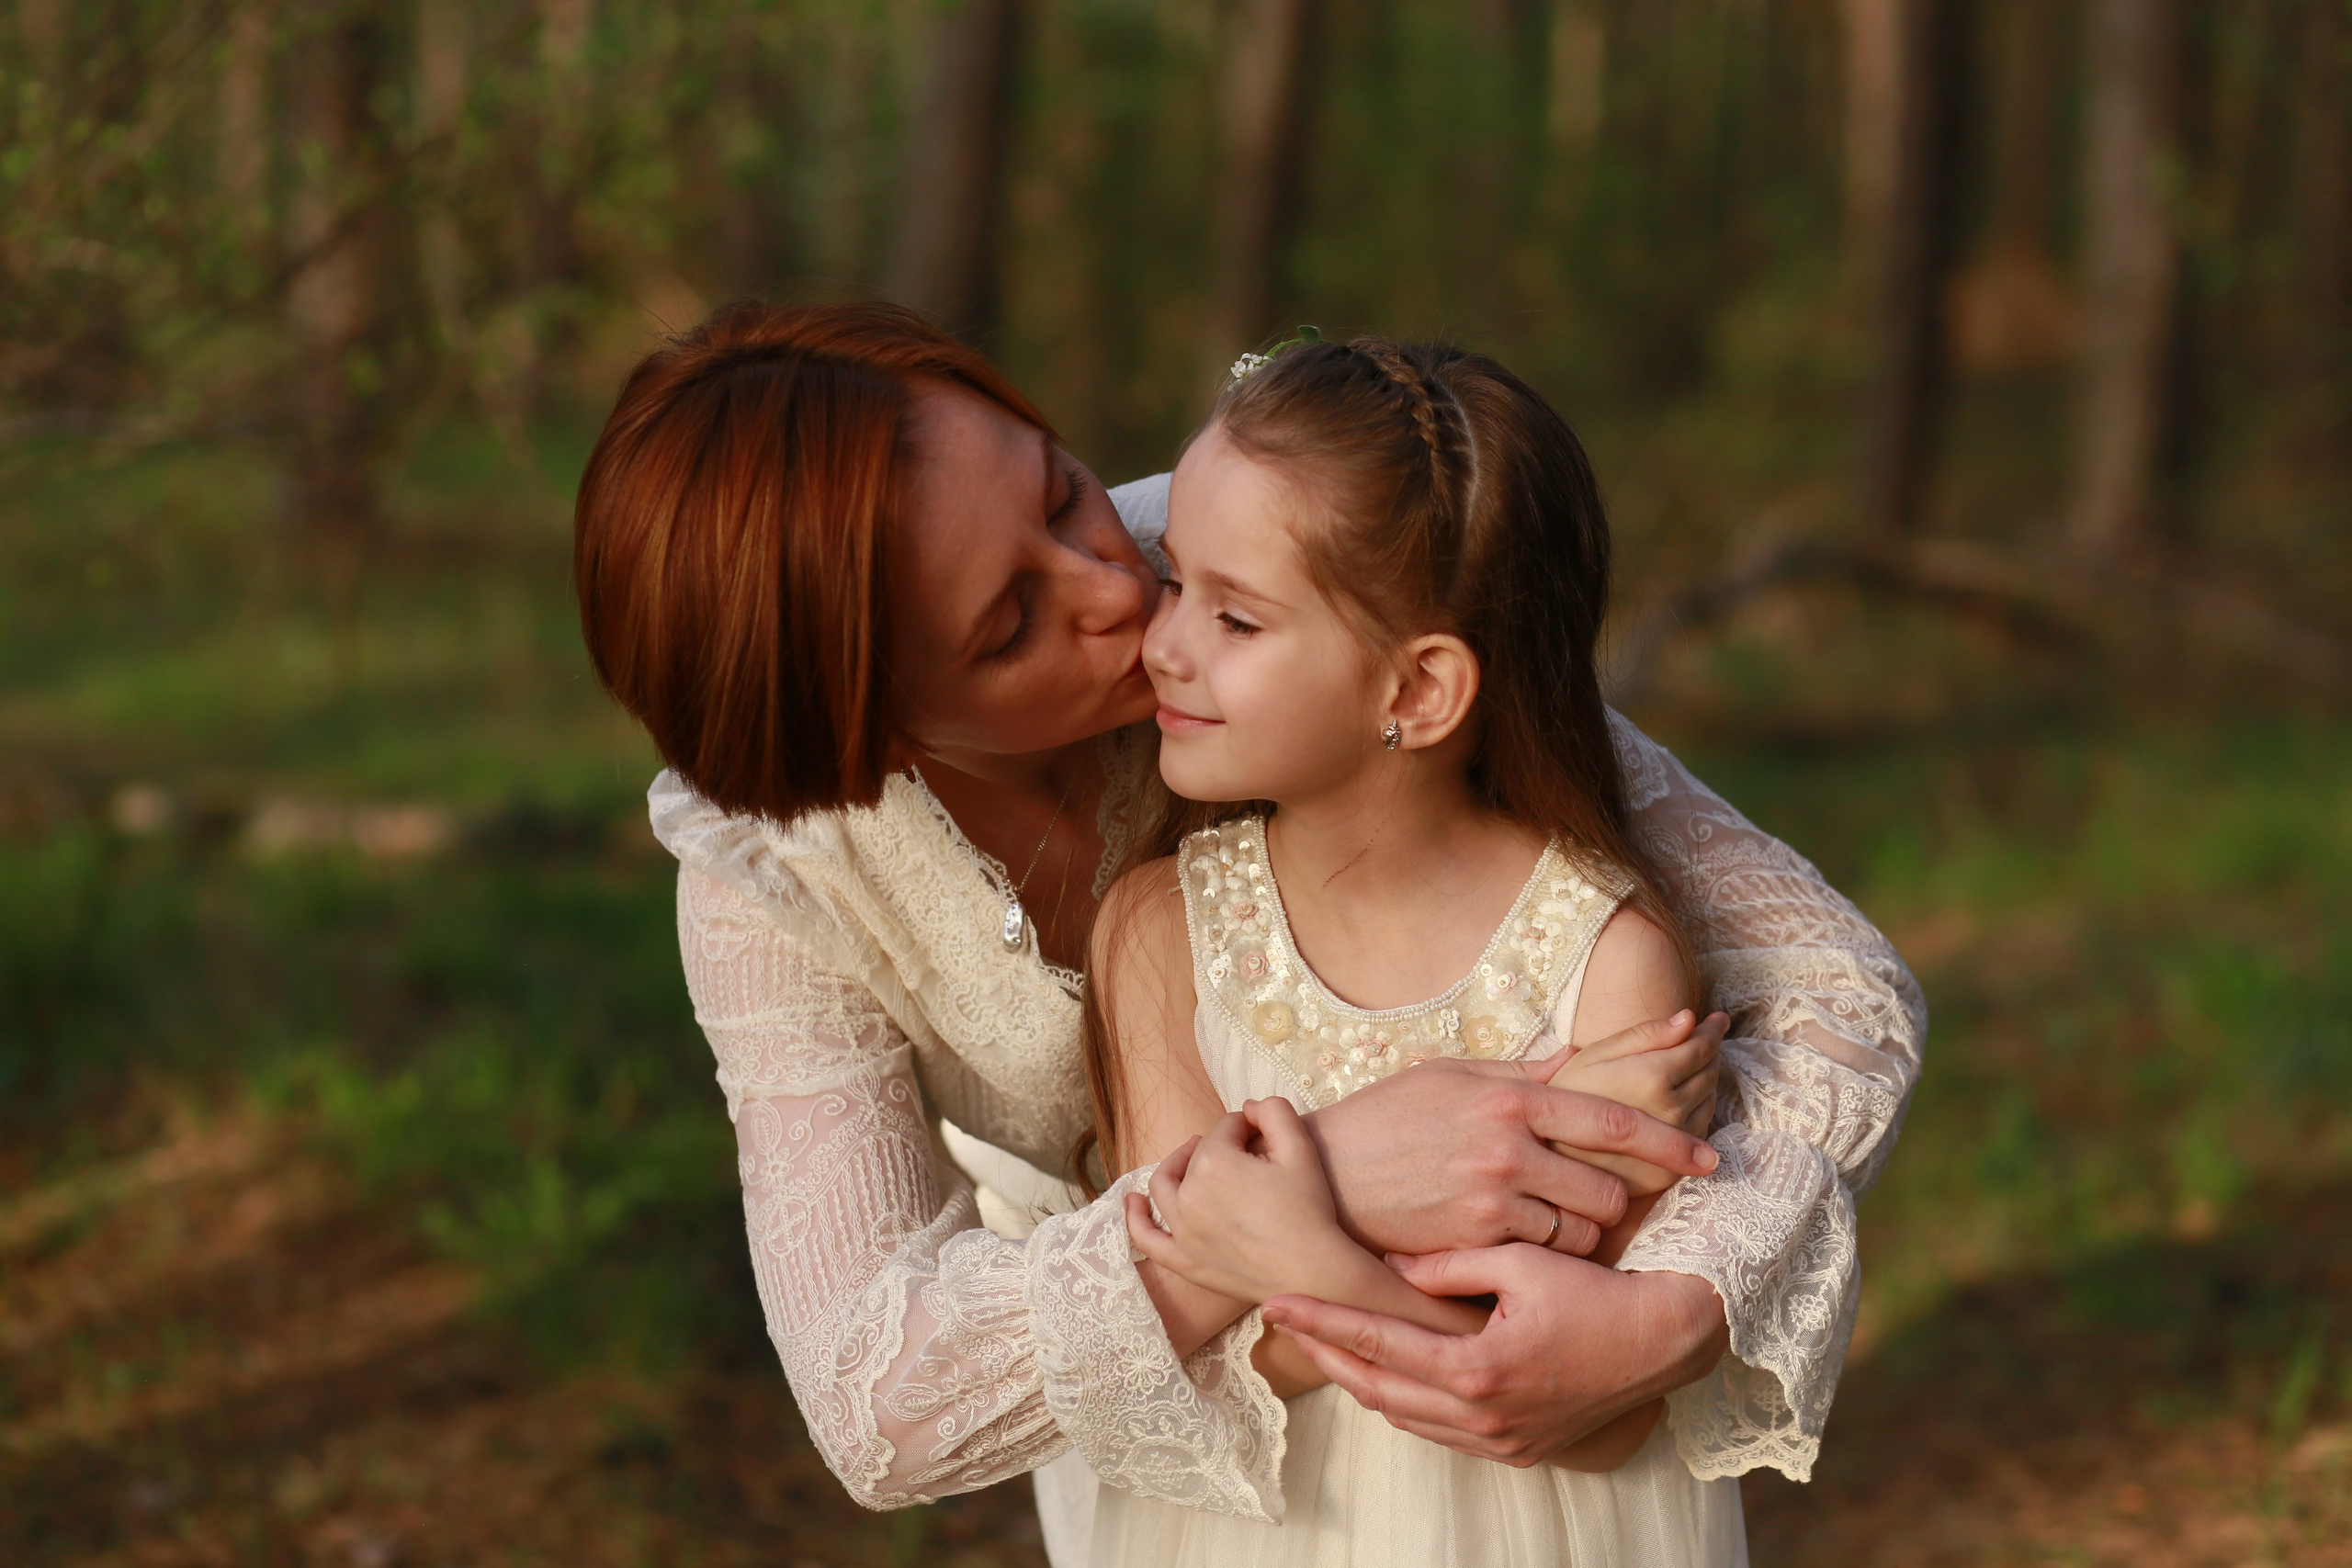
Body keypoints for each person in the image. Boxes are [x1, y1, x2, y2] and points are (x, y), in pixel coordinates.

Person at [571, 300, 1924, 1566]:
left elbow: (1838, 991)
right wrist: (1327, 1171)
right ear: (870, 734)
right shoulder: (782, 872)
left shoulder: (1269, 567)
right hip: (1190, 1427)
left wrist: (1670, 1308)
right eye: (1010, 626)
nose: (1116, 588)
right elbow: (881, 1401)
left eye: (1057, 489)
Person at [1089, 333, 1754, 1564]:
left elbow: (1604, 1417)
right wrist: (1376, 1276)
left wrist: (1289, 1251)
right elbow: (1183, 1347)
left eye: (1234, 616)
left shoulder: (1606, 957)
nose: (1164, 644)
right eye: (1174, 583)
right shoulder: (1158, 930)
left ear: (1418, 691)